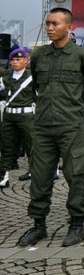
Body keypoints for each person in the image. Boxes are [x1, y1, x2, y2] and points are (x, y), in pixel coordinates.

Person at [17, 7, 84, 247]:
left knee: (75, 175)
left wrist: (77, 106)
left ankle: (77, 224)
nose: (50, 28)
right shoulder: (39, 56)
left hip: (71, 127)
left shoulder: (81, 56)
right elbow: (36, 85)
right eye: (48, 23)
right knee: (40, 176)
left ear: (69, 27)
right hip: (43, 127)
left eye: (55, 24)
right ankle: (38, 225)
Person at [0, 47, 35, 187]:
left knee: (31, 145)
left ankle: (34, 171)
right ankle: (4, 175)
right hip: (8, 116)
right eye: (13, 60)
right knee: (6, 146)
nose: (15, 62)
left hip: (26, 117)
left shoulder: (32, 78)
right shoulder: (5, 78)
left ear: (26, 61)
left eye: (18, 59)